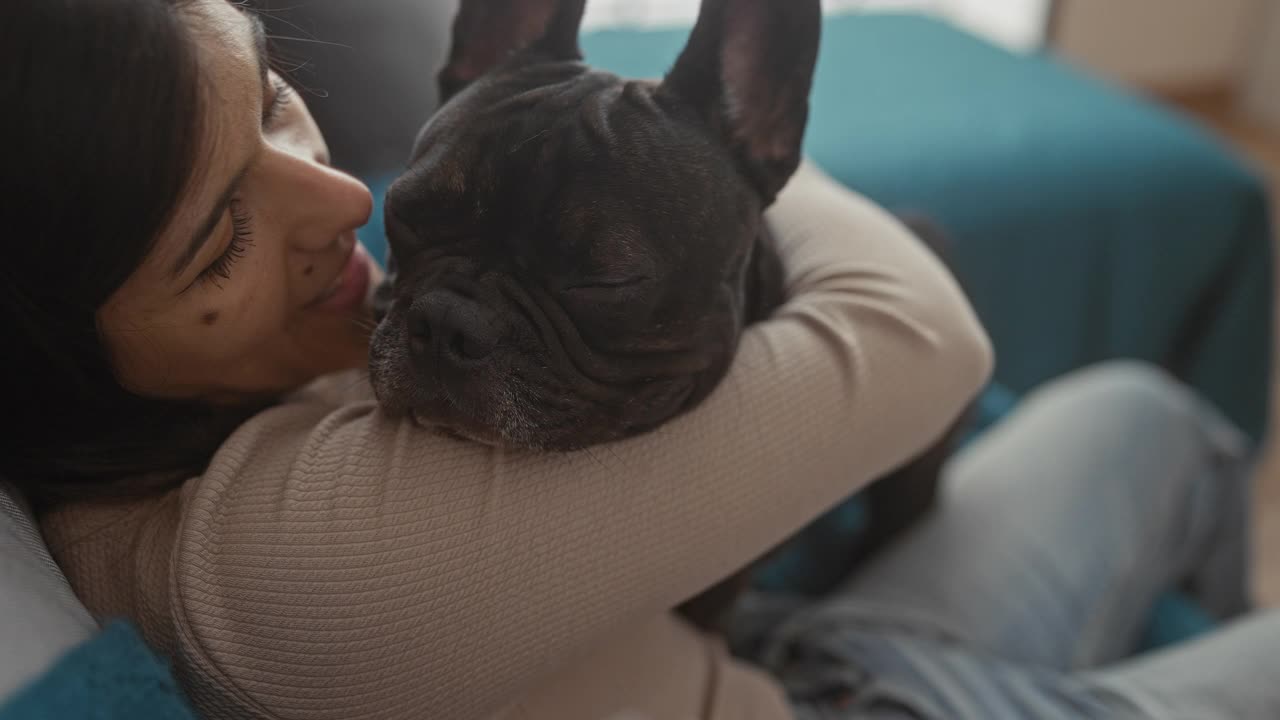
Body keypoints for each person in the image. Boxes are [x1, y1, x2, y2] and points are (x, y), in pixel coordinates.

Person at [2, 1, 1277, 718]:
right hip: (828, 702)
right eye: (223, 235)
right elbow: (920, 334)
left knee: (1144, 411)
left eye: (276, 96)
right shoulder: (297, 576)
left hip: (758, 651)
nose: (341, 196)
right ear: (58, 342)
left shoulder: (200, 417)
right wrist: (721, 150)